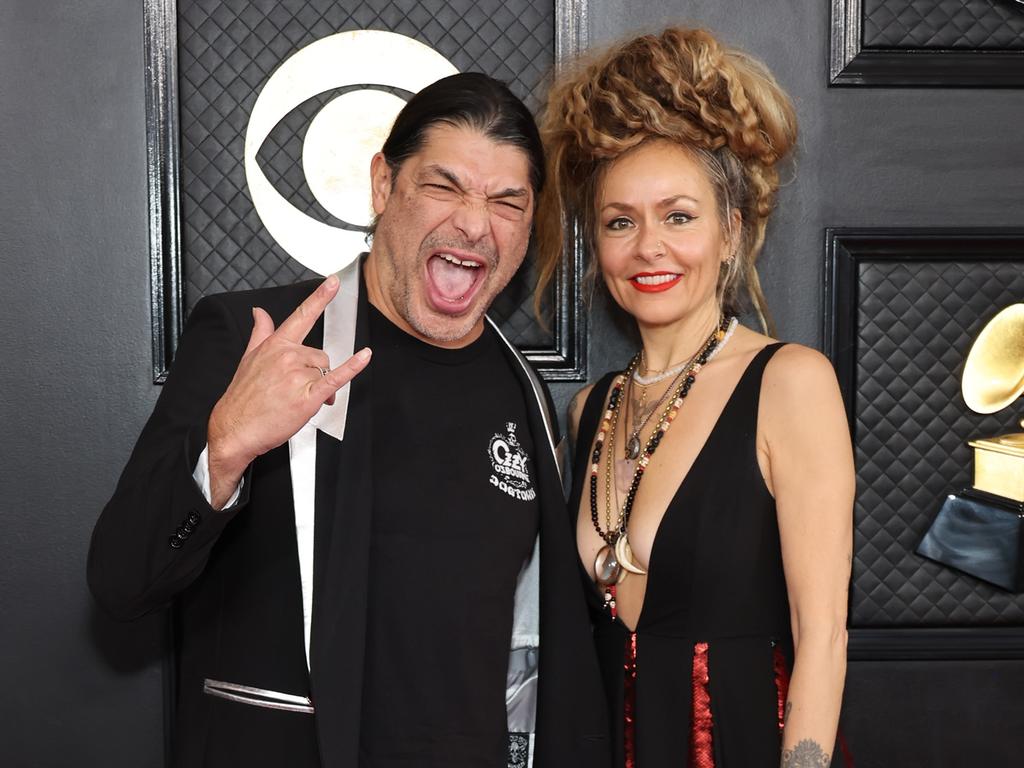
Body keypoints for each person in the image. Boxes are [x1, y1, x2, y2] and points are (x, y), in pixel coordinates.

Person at [88, 73, 609, 768]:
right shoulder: (256, 340)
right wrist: (224, 451)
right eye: (444, 186)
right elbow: (122, 582)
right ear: (383, 186)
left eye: (507, 202)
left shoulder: (525, 396)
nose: (476, 223)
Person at [535, 28, 854, 767]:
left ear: (730, 232)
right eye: (621, 222)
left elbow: (824, 640)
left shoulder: (790, 385)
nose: (649, 247)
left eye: (679, 216)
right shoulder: (592, 411)